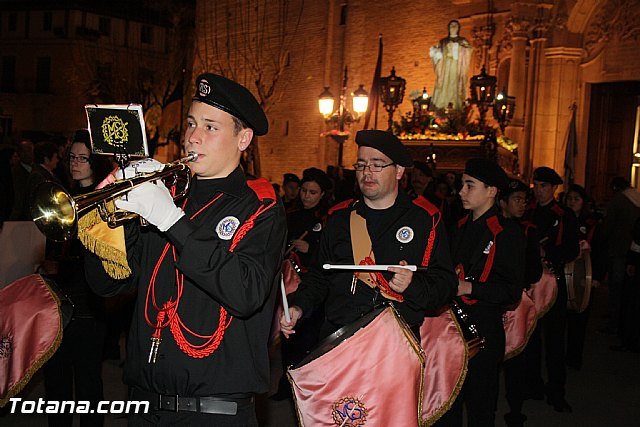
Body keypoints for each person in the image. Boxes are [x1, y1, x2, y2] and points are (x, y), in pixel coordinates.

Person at [84, 73, 287, 426]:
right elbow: (108, 285)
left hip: (215, 413)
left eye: (211, 127)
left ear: (243, 139)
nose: (192, 136)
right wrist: (107, 217)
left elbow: (246, 292)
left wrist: (170, 219)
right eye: (192, 123)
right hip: (144, 406)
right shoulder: (167, 192)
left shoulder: (260, 205)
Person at [281, 129, 457, 342]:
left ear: (399, 170)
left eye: (377, 165)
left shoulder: (423, 221)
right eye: (362, 165)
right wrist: (298, 307)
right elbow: (318, 277)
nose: (367, 172)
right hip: (339, 341)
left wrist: (412, 285)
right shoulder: (339, 219)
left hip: (394, 345)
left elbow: (446, 285)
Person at [436, 159, 524, 426]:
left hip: (484, 329)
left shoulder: (507, 233)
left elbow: (511, 292)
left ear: (492, 191)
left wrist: (469, 287)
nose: (461, 191)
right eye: (463, 185)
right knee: (446, 403)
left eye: (469, 185)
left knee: (480, 406)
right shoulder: (459, 227)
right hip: (451, 329)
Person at [42, 129, 111, 427]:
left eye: (83, 158)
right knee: (55, 378)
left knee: (87, 381)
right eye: (72, 157)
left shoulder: (103, 200)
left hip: (88, 303)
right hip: (60, 299)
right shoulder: (62, 197)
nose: (75, 163)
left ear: (95, 162)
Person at [271, 167, 332, 400]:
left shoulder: (327, 220)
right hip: (289, 283)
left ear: (322, 195)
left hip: (313, 286)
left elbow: (330, 257)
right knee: (289, 338)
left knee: (310, 339)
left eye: (313, 192)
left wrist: (310, 249)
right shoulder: (291, 214)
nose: (307, 196)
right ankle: (286, 385)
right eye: (304, 191)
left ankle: (308, 389)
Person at [523, 166, 579, 413]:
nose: (539, 190)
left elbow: (572, 249)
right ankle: (533, 384)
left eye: (544, 186)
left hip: (554, 283)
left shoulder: (564, 215)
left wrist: (548, 253)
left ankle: (557, 392)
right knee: (530, 337)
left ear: (554, 188)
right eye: (536, 185)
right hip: (531, 283)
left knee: (555, 341)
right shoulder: (528, 211)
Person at [499, 179, 543, 427]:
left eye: (525, 200)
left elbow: (534, 271)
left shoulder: (528, 230)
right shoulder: (490, 228)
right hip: (491, 302)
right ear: (503, 202)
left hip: (515, 303)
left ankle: (516, 409)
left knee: (517, 356)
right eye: (517, 199)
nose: (523, 205)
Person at [563, 184, 605, 369]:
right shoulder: (562, 219)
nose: (572, 202)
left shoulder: (592, 224)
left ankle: (574, 358)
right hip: (564, 276)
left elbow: (602, 252)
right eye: (569, 198)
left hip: (584, 277)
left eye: (576, 199)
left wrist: (596, 276)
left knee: (579, 319)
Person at [602, 176, 640, 335]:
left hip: (618, 249)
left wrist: (602, 241)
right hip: (632, 250)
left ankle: (614, 323)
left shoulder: (618, 201)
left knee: (616, 288)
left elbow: (608, 226)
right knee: (628, 289)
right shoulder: (636, 197)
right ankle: (622, 321)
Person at [429, 20, 473, 111]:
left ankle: (455, 105)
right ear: (448, 28)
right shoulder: (443, 41)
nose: (453, 26)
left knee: (454, 84)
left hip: (456, 66)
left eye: (455, 25)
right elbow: (438, 54)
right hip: (445, 67)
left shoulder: (462, 41)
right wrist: (435, 54)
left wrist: (457, 47)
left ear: (458, 28)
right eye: (451, 25)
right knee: (444, 85)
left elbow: (468, 51)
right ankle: (441, 105)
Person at [10, 139, 34, 220]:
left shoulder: (37, 169)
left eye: (29, 150)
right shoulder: (15, 172)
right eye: (23, 151)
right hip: (21, 215)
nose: (26, 154)